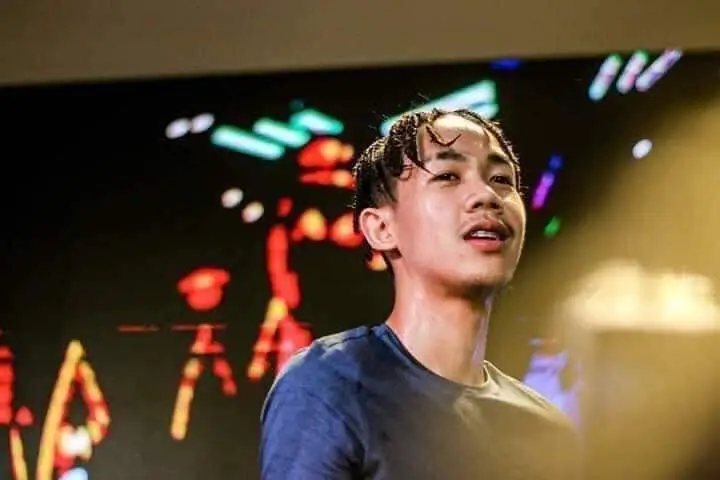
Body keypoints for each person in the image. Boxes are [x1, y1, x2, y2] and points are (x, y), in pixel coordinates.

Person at [260, 108, 581, 479]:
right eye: (447, 175)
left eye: (501, 179)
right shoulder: (329, 385)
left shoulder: (547, 431)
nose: (487, 195)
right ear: (381, 228)